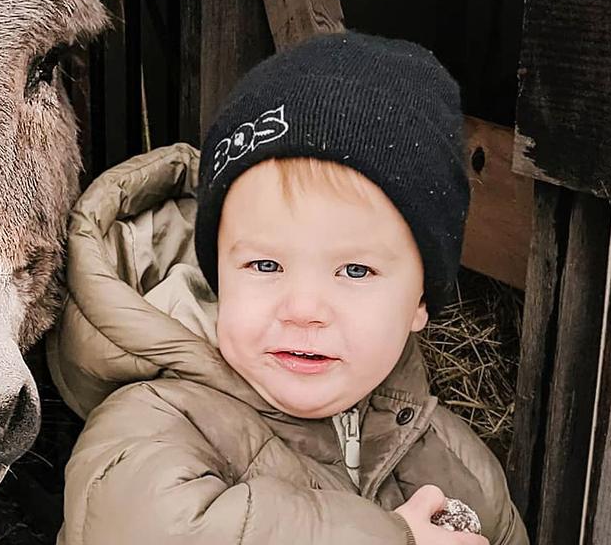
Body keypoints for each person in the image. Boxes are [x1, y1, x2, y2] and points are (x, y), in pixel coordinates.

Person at [47, 32, 528, 544]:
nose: (303, 309)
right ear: (219, 277)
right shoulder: (154, 419)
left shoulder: (460, 465)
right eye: (265, 264)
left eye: (355, 271)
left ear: (420, 301)